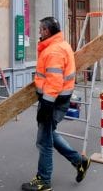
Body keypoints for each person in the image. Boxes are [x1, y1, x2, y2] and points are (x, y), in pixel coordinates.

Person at [22, 17, 91, 191]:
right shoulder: (61, 45)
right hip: (57, 100)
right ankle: (78, 161)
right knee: (49, 134)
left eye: (40, 29)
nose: (39, 32)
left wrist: (46, 105)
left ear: (46, 31)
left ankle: (43, 181)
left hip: (53, 102)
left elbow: (54, 82)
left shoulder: (53, 51)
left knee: (44, 142)